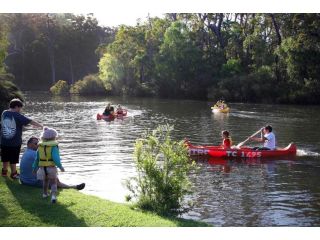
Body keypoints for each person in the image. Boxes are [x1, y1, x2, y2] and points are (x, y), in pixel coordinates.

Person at [20, 136, 85, 190]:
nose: (38, 145)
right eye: (35, 144)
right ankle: (74, 187)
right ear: (29, 144)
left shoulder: (27, 152)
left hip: (24, 179)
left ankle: (73, 186)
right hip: (30, 182)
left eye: (38, 144)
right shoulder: (33, 154)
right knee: (54, 181)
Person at [1, 98, 43, 179]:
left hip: (4, 141)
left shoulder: (4, 113)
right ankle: (14, 174)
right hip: (14, 142)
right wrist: (41, 126)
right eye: (20, 108)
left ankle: (4, 171)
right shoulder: (17, 115)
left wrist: (28, 128)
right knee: (13, 159)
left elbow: (14, 124)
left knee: (5, 157)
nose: (20, 110)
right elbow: (30, 121)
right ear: (16, 107)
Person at [32, 127, 64, 204]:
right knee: (53, 182)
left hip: (42, 168)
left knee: (45, 181)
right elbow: (55, 158)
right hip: (51, 168)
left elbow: (37, 158)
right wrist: (60, 167)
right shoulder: (54, 146)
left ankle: (45, 194)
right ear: (53, 137)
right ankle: (53, 196)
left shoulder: (40, 146)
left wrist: (34, 168)